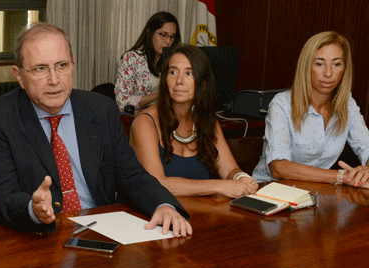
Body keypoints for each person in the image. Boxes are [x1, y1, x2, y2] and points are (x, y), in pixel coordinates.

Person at [0, 22, 191, 236]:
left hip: (102, 233)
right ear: (19, 75)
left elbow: (131, 175)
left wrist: (163, 205)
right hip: (36, 240)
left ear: (73, 65)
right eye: (41, 69)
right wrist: (34, 209)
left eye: (62, 65)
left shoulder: (101, 109)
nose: (54, 79)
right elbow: (2, 197)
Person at [130, 44, 259, 197]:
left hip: (197, 214)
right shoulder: (145, 123)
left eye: (189, 73)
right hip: (152, 214)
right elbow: (157, 184)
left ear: (203, 83)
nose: (179, 80)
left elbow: (229, 169)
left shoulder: (206, 120)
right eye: (173, 72)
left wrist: (242, 178)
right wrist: (220, 186)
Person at [253, 31, 369, 186]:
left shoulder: (347, 103)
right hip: (269, 191)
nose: (328, 73)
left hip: (314, 194)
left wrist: (364, 173)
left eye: (336, 64)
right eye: (319, 64)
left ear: (345, 68)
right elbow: (279, 168)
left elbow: (366, 147)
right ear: (307, 66)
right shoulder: (282, 104)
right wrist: (343, 177)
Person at [115, 12, 181, 112]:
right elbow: (122, 102)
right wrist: (160, 94)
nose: (168, 42)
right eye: (163, 35)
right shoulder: (132, 58)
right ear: (149, 32)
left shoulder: (173, 60)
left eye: (172, 37)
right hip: (138, 118)